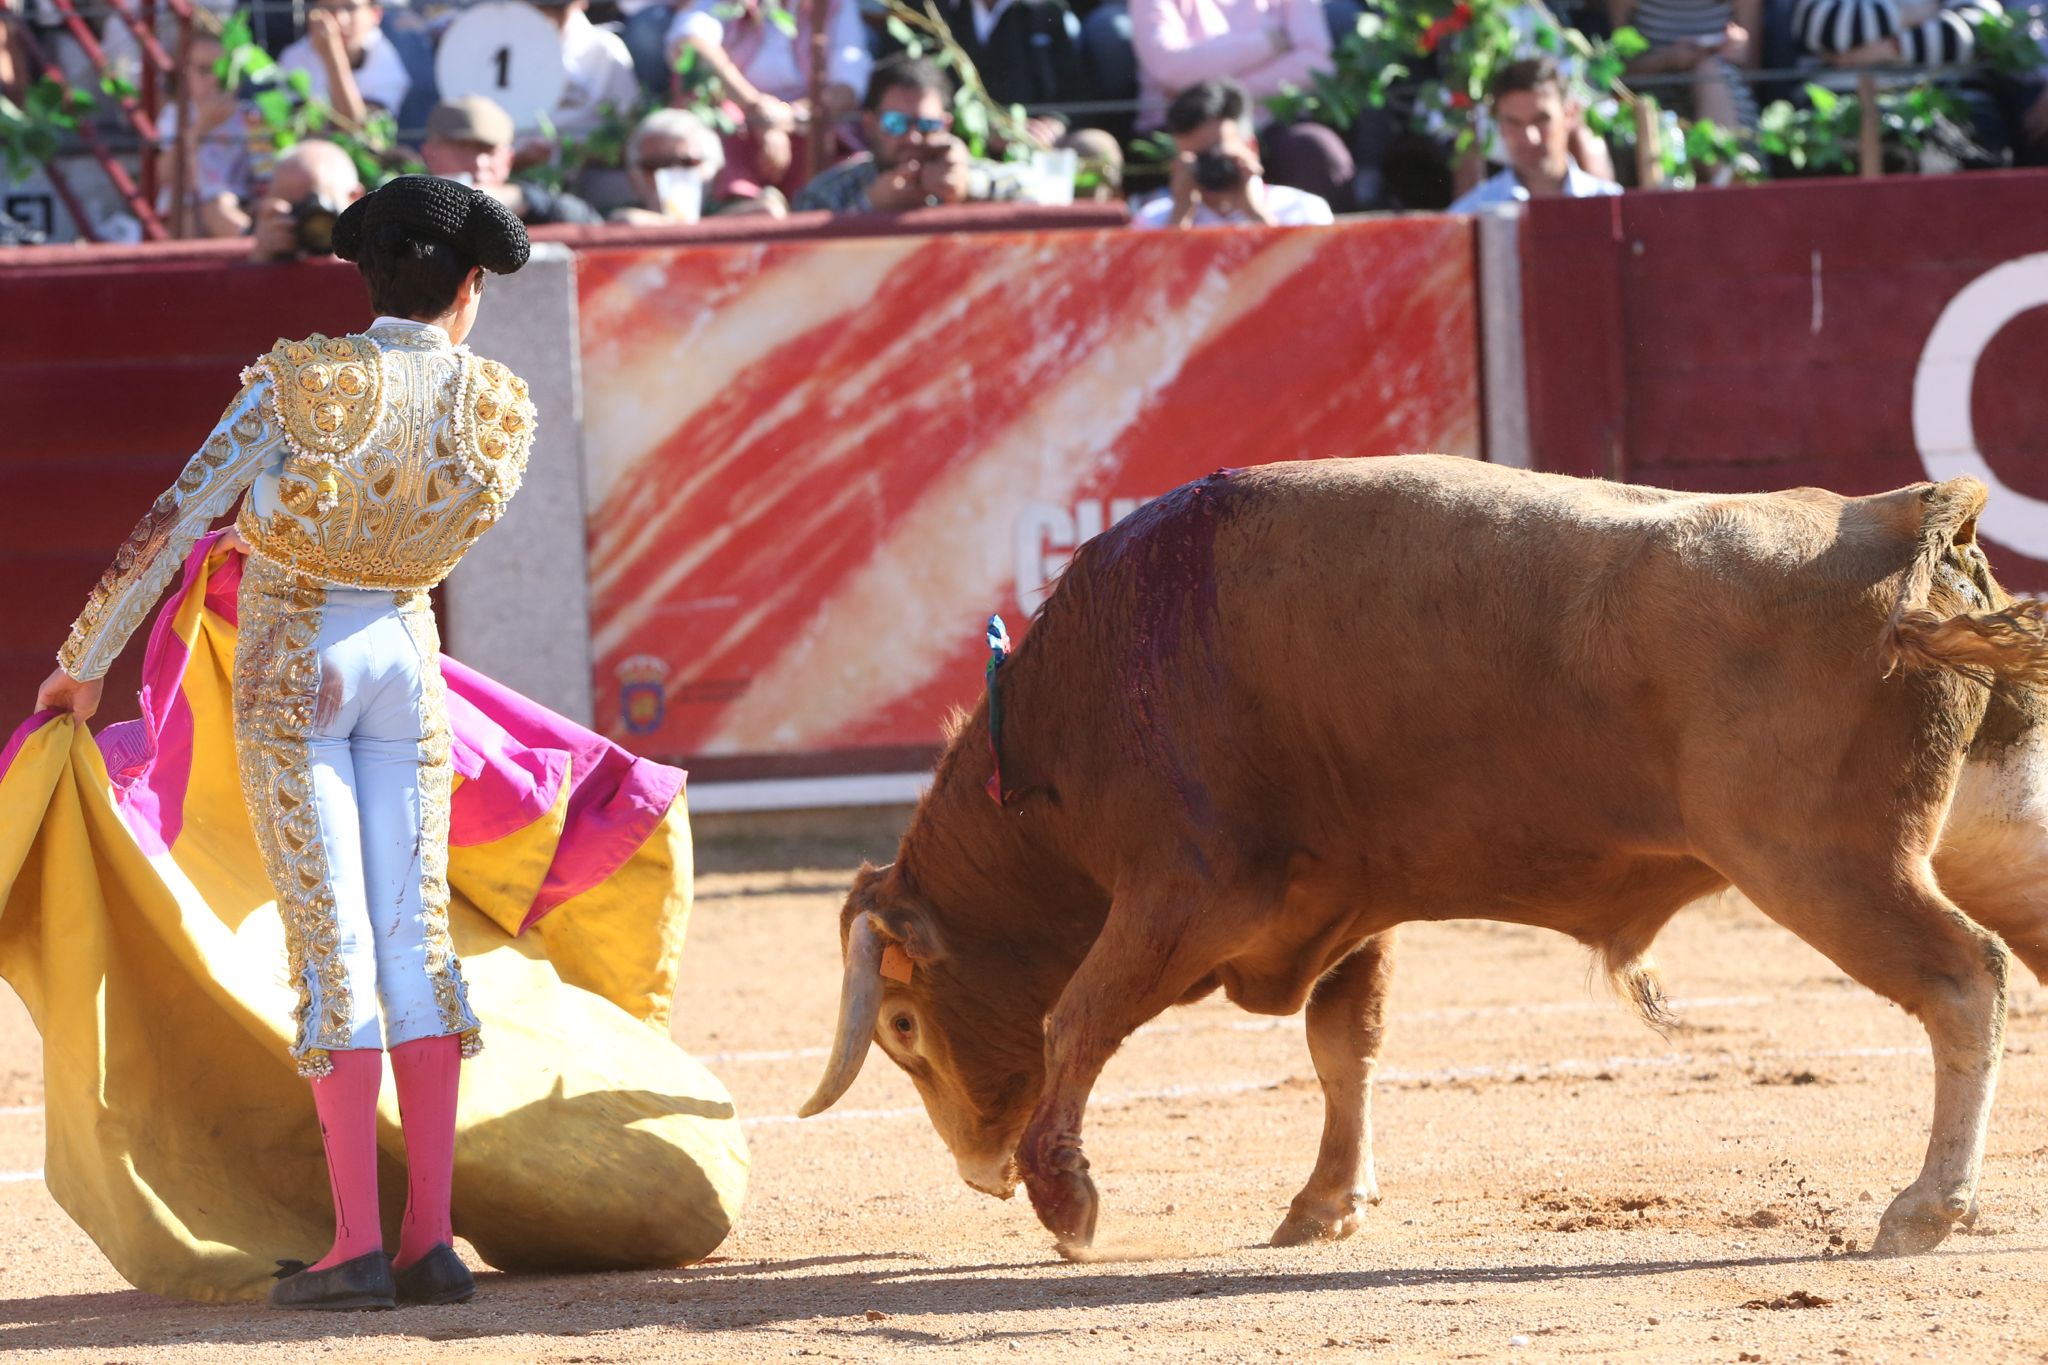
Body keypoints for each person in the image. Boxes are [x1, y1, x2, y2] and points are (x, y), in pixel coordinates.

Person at [36, 174, 536, 1311]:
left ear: (367, 276)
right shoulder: (497, 404)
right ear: (469, 287)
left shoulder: (300, 383)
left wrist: (87, 655)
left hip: (296, 654)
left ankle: (354, 1244)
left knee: (334, 941)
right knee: (417, 940)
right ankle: (432, 1242)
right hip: (408, 661)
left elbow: (176, 517)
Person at [663, 0, 870, 204]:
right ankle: (738, 207)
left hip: (804, 124)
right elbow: (690, 41)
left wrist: (786, 117)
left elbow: (848, 86)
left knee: (839, 154)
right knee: (715, 124)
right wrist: (755, 107)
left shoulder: (836, 4)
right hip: (739, 121)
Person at [792, 56, 1027, 213]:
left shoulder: (968, 176)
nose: (913, 137)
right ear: (870, 123)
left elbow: (1047, 194)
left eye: (927, 124)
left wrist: (969, 189)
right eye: (896, 123)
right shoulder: (830, 191)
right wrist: (868, 208)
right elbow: (798, 257)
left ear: (946, 125)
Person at [1132, 77, 1333, 226]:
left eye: (1216, 153)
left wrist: (1255, 213)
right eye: (1195, 160)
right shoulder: (1152, 221)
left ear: (1251, 147)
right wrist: (1180, 217)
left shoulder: (1303, 211)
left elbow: (1307, 278)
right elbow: (1151, 282)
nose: (1207, 167)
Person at [1448, 56, 1622, 211]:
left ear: (1570, 114)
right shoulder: (1471, 213)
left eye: (1541, 120)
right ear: (1499, 125)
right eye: (1513, 123)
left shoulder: (1616, 205)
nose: (1530, 138)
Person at [420, 95, 605, 225]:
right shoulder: (403, 205)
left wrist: (522, 200)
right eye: (463, 150)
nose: (479, 163)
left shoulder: (533, 207)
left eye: (489, 152)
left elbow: (589, 224)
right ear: (429, 154)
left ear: (508, 160)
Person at [155, 31, 257, 239]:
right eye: (203, 70)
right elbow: (164, 175)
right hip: (186, 208)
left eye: (224, 70)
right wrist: (201, 127)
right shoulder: (173, 116)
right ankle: (256, 248)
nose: (214, 79)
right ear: (184, 74)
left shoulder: (251, 117)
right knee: (202, 215)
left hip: (243, 204)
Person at [610, 105, 788, 221]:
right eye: (656, 165)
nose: (673, 172)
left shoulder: (733, 204)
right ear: (634, 177)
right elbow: (622, 222)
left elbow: (771, 212)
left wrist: (685, 228)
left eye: (688, 163)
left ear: (715, 170)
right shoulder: (617, 212)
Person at [277, 0, 412, 127]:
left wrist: (332, 56)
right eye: (328, 8)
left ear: (375, 14)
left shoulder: (386, 62)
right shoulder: (293, 57)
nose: (340, 20)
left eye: (350, 7)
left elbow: (361, 133)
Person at [533, 0, 643, 143]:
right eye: (538, 6)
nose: (549, 16)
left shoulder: (607, 49)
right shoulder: (504, 47)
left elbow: (629, 124)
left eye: (558, 7)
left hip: (591, 160)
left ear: (581, 2)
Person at [249, 139, 365, 262]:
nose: (311, 228)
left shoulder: (381, 253)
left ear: (355, 199)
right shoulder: (264, 256)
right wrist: (261, 261)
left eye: (317, 211)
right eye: (294, 210)